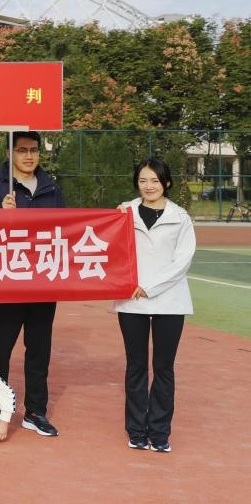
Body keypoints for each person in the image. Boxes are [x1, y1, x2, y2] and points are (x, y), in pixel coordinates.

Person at [0, 130, 65, 438]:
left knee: (39, 349)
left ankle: (35, 411)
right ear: (9, 153)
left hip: (43, 282)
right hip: (7, 283)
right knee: (0, 351)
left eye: (34, 150)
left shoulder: (52, 189)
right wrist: (2, 216)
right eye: (22, 150)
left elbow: (65, 230)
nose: (29, 156)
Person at [116, 158, 195, 453]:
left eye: (155, 181)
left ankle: (160, 433)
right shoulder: (124, 212)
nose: (149, 186)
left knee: (163, 368)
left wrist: (149, 287)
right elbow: (111, 248)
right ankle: (136, 430)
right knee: (136, 366)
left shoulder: (180, 217)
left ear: (167, 183)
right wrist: (131, 285)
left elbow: (182, 261)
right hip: (131, 301)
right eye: (143, 181)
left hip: (170, 301)